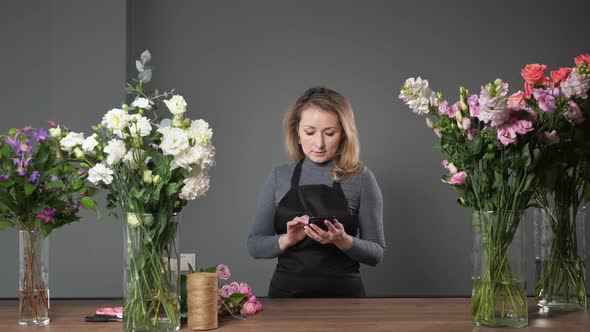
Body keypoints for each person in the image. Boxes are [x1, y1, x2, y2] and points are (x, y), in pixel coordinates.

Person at [247, 86, 385, 297]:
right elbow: (255, 245)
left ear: (343, 135)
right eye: (310, 132)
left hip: (346, 300)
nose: (319, 143)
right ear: (297, 132)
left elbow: (376, 253)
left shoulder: (362, 178)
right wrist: (287, 239)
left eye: (330, 133)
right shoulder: (279, 177)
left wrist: (343, 240)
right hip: (286, 299)